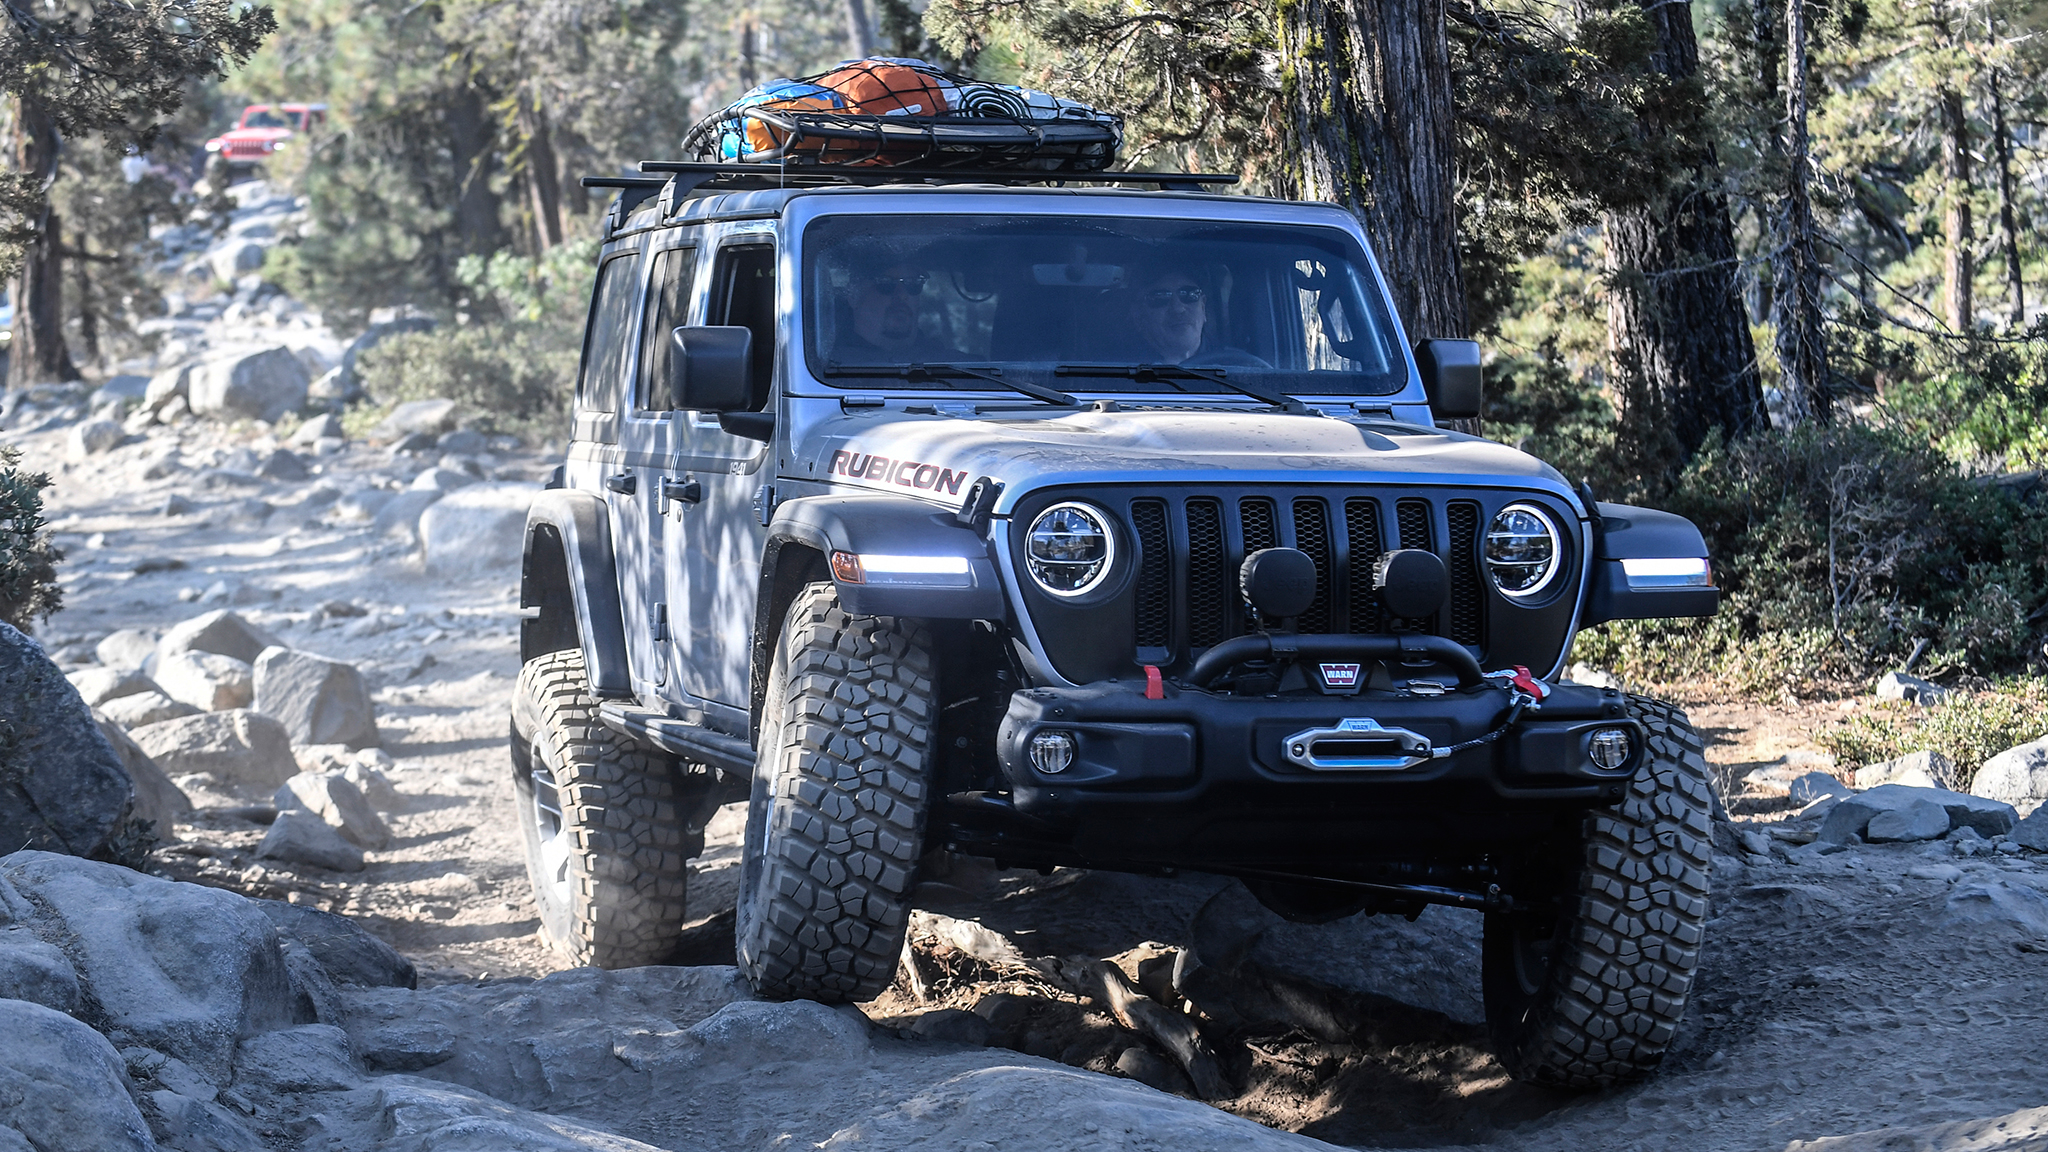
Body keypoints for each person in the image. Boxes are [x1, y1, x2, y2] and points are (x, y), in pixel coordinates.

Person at [1124, 264, 1266, 367]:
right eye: (1160, 297)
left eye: (1189, 295)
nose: (1178, 309)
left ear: (1203, 307)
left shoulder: (1240, 368)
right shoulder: (1114, 369)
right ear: (1138, 315)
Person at [836, 261, 955, 362]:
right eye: (885, 282)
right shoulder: (828, 366)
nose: (902, 294)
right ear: (853, 295)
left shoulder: (954, 368)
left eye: (913, 283)